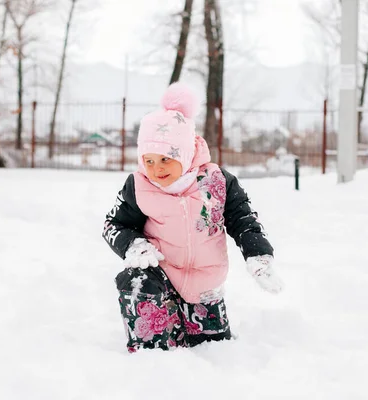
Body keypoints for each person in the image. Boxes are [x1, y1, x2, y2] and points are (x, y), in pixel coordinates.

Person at [102, 83, 284, 353]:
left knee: (213, 349)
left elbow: (243, 220)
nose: (156, 170)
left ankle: (197, 331)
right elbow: (114, 225)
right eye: (148, 161)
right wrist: (134, 245)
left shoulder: (216, 181)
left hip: (204, 285)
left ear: (185, 152)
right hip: (159, 280)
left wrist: (258, 255)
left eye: (165, 159)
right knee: (136, 281)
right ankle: (150, 352)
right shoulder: (139, 186)